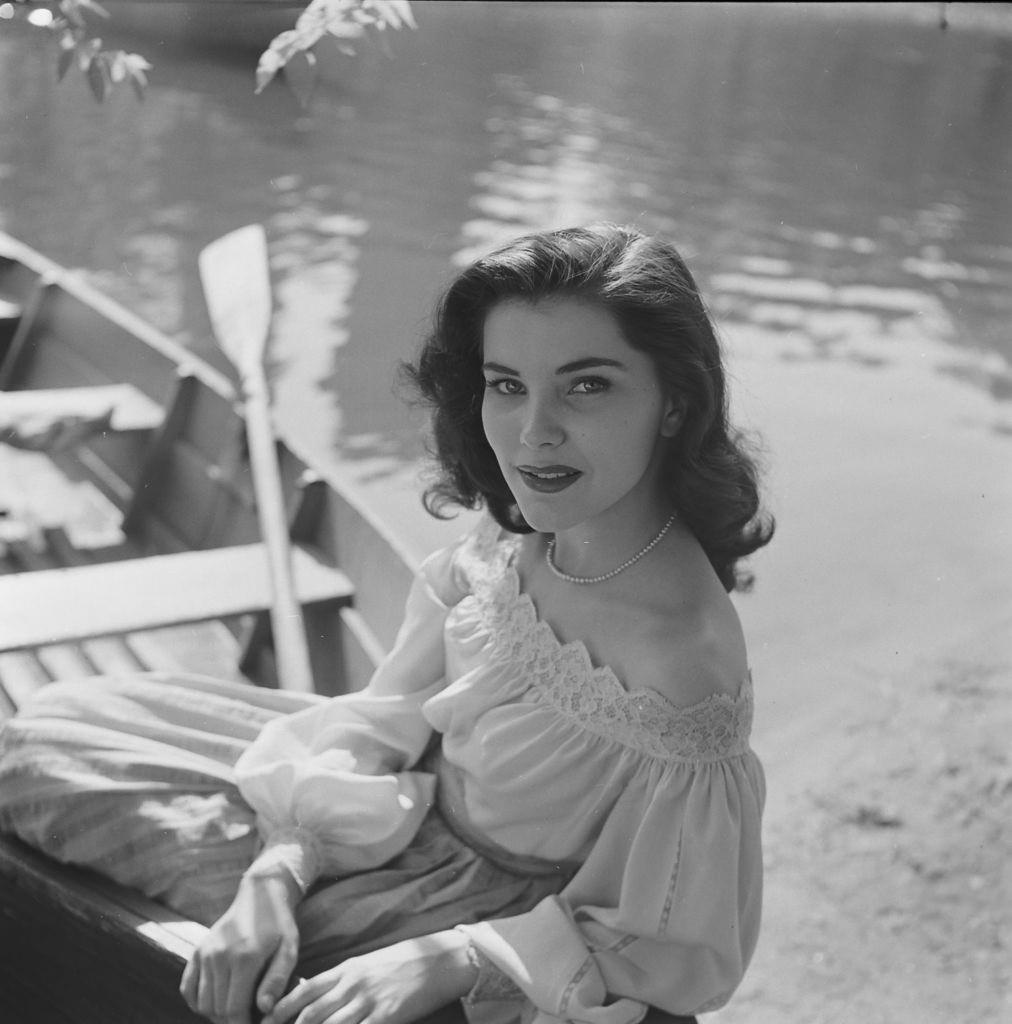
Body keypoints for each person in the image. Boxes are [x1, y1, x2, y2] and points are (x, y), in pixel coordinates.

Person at [0, 223, 774, 1024]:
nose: (533, 431)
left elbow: (673, 947)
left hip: (479, 915)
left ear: (676, 401)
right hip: (389, 811)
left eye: (587, 386)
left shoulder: (684, 659)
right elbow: (393, 712)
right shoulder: (527, 531)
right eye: (506, 384)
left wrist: (453, 959)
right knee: (41, 741)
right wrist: (281, 866)